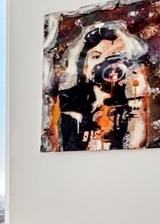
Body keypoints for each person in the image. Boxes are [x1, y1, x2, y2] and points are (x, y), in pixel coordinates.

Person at [54, 21, 150, 151]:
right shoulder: (68, 99)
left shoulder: (130, 100)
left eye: (112, 58)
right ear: (81, 62)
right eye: (96, 56)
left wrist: (136, 96)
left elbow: (137, 145)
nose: (102, 65)